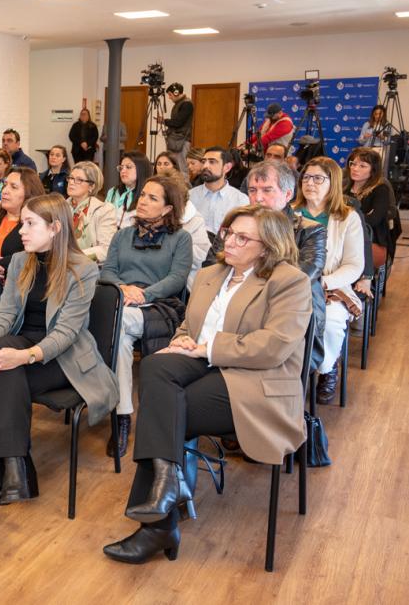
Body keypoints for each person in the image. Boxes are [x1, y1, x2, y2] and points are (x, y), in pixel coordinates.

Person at [103, 205, 310, 565]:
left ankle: (160, 520)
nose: (229, 240)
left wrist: (205, 348)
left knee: (165, 408)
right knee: (155, 366)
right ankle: (167, 485)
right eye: (229, 232)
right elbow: (190, 325)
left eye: (242, 237)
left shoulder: (288, 281)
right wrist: (182, 340)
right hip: (205, 365)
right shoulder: (211, 274)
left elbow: (274, 346)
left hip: (256, 381)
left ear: (267, 246)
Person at [0, 194, 119, 505]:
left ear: (55, 228)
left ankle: (11, 473)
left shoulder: (83, 269)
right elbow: (5, 312)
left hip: (63, 358)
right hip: (23, 346)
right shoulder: (19, 261)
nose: (21, 230)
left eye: (30, 224)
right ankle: (16, 471)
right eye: (22, 222)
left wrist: (24, 357)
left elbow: (67, 333)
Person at [98, 175, 193, 457]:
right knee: (122, 336)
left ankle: (119, 414)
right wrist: (122, 289)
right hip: (121, 302)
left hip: (160, 307)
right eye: (142, 195)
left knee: (117, 324)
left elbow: (177, 279)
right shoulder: (123, 235)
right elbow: (108, 272)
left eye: (153, 198)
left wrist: (144, 294)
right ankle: (123, 414)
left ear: (167, 208)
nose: (143, 201)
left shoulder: (181, 239)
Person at [206, 159, 327, 372]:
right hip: (233, 298)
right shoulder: (234, 224)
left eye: (267, 190)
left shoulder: (310, 231)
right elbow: (211, 266)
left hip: (284, 304)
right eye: (253, 190)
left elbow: (303, 275)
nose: (258, 197)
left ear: (288, 195)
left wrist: (249, 285)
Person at [293, 157, 364, 403]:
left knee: (331, 320)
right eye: (306, 177)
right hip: (289, 284)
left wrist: (324, 282)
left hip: (330, 285)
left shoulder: (346, 218)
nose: (310, 183)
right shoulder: (290, 213)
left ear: (332, 182)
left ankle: (327, 367)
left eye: (318, 178)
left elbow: (354, 265)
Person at [0, 167, 46, 304]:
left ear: (29, 193)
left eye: (13, 187)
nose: (5, 191)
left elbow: (29, 257)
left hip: (17, 295)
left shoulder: (35, 225)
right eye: (5, 185)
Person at [344, 147, 397, 268]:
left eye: (362, 166)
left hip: (371, 241)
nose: (355, 168)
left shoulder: (380, 189)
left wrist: (344, 216)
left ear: (373, 170)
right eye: (353, 164)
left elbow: (373, 220)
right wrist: (361, 216)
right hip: (345, 237)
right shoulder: (345, 187)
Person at [189, 146, 249, 236]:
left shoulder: (240, 200)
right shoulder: (189, 196)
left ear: (227, 167)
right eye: (203, 161)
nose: (205, 166)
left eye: (212, 162)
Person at [66, 161, 117, 263]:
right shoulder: (60, 206)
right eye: (71, 178)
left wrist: (74, 258)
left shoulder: (104, 210)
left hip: (88, 267)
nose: (71, 182)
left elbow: (105, 250)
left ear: (91, 186)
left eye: (79, 180)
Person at [105, 151, 152, 228]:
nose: (123, 171)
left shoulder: (149, 194)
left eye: (128, 167)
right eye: (121, 167)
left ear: (141, 169)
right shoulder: (113, 191)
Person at [159, 83, 193, 175]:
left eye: (170, 95)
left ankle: (184, 188)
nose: (169, 97)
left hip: (181, 141)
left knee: (182, 169)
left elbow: (178, 122)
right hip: (177, 140)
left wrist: (164, 121)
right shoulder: (180, 103)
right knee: (176, 168)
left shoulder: (187, 104)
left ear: (176, 93)